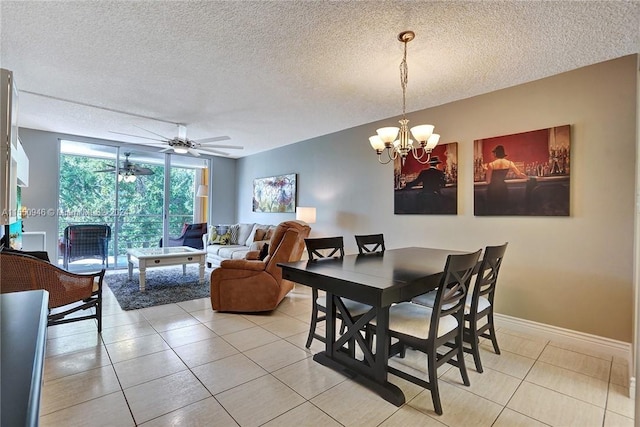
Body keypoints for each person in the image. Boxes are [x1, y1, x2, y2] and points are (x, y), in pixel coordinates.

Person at [484, 145, 527, 214]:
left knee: (493, 210)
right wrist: (528, 178)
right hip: (502, 188)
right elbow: (519, 174)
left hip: (493, 189)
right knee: (503, 209)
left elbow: (488, 181)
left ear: (495, 154)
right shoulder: (510, 163)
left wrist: (486, 170)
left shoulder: (491, 165)